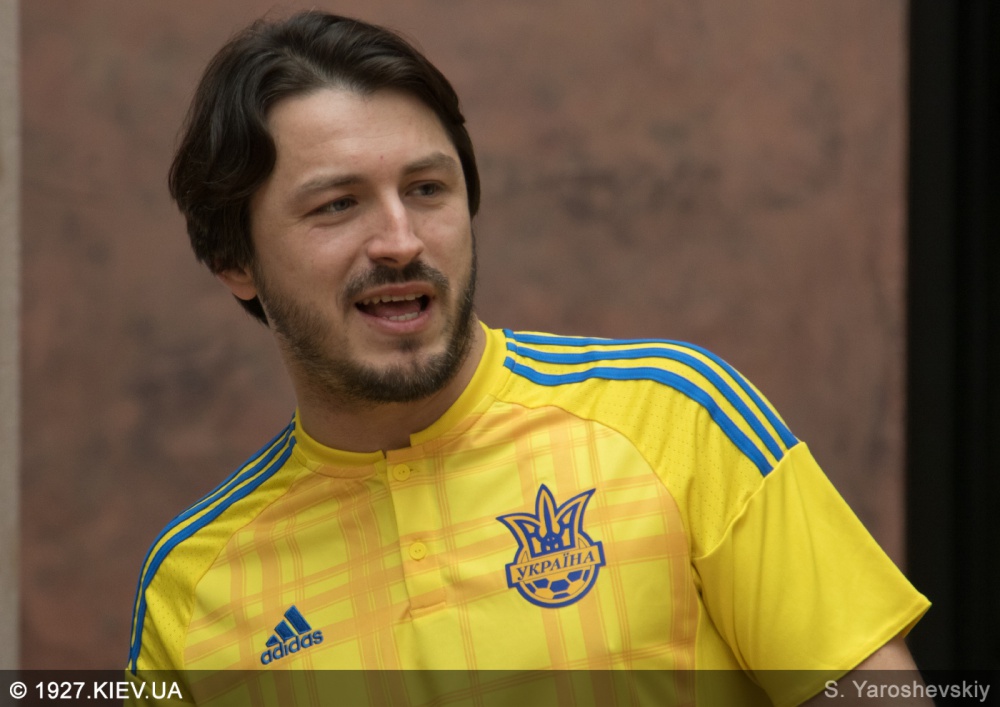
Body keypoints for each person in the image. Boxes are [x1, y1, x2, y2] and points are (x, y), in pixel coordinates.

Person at [127, 10, 930, 706]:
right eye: (338, 204)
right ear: (234, 260)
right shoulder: (192, 589)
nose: (400, 240)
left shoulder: (675, 417)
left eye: (428, 189)